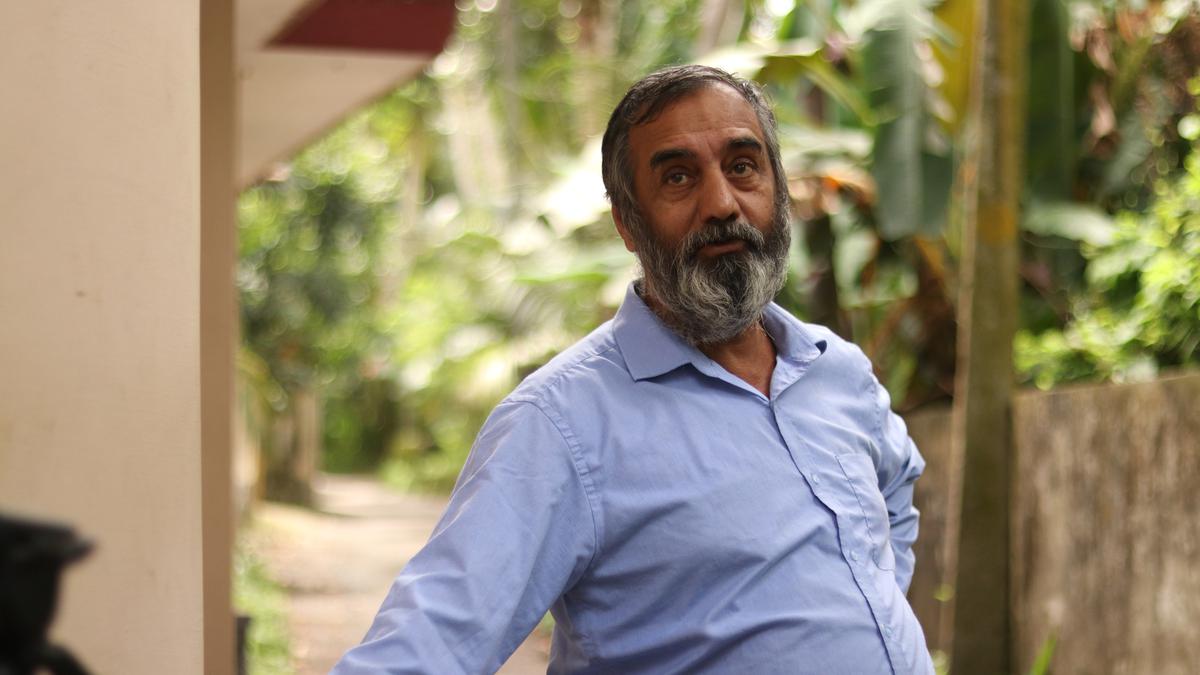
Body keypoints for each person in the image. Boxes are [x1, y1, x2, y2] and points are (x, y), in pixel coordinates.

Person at [332, 65, 932, 674]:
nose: (722, 203)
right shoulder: (562, 424)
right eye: (678, 177)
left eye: (743, 166)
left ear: (776, 189)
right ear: (627, 222)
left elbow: (895, 492)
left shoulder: (838, 370)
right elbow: (427, 643)